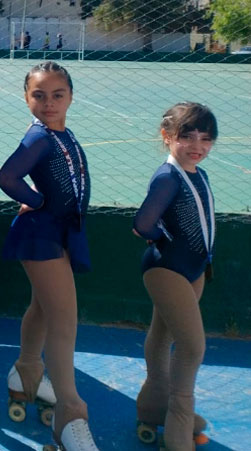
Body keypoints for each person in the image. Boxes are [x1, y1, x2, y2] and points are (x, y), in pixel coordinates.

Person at [0, 62, 98, 450]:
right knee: (63, 319)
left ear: (71, 97)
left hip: (58, 232)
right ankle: (68, 412)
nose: (49, 103)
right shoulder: (39, 136)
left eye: (58, 95)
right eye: (39, 95)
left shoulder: (61, 134)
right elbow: (8, 177)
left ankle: (25, 372)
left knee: (43, 308)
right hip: (41, 235)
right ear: (26, 98)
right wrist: (37, 201)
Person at [132, 103, 217, 449]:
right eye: (188, 137)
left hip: (193, 269)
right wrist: (162, 239)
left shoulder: (199, 174)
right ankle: (178, 425)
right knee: (192, 347)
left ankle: (153, 405)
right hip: (167, 269)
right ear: (167, 136)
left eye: (206, 139)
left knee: (162, 333)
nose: (197, 145)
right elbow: (142, 224)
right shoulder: (168, 177)